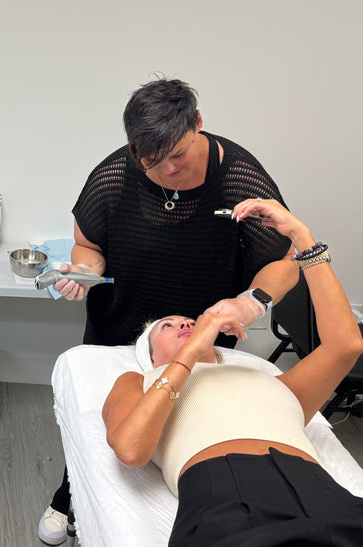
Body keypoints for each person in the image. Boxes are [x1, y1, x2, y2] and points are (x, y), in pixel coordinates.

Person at [39, 77, 298, 544]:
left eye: (177, 155)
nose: (167, 171)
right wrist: (84, 273)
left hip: (196, 333)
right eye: (152, 161)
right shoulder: (115, 175)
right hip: (119, 323)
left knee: (191, 420)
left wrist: (250, 301)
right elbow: (87, 245)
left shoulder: (238, 178)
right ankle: (68, 496)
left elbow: (284, 262)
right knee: (103, 425)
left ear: (197, 123)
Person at [101, 198, 363, 545]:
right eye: (168, 326)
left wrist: (302, 237)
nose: (185, 323)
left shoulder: (270, 382)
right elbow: (130, 450)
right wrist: (189, 355)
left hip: (323, 496)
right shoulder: (141, 381)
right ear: (151, 358)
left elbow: (346, 346)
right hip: (224, 500)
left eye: (191, 321)